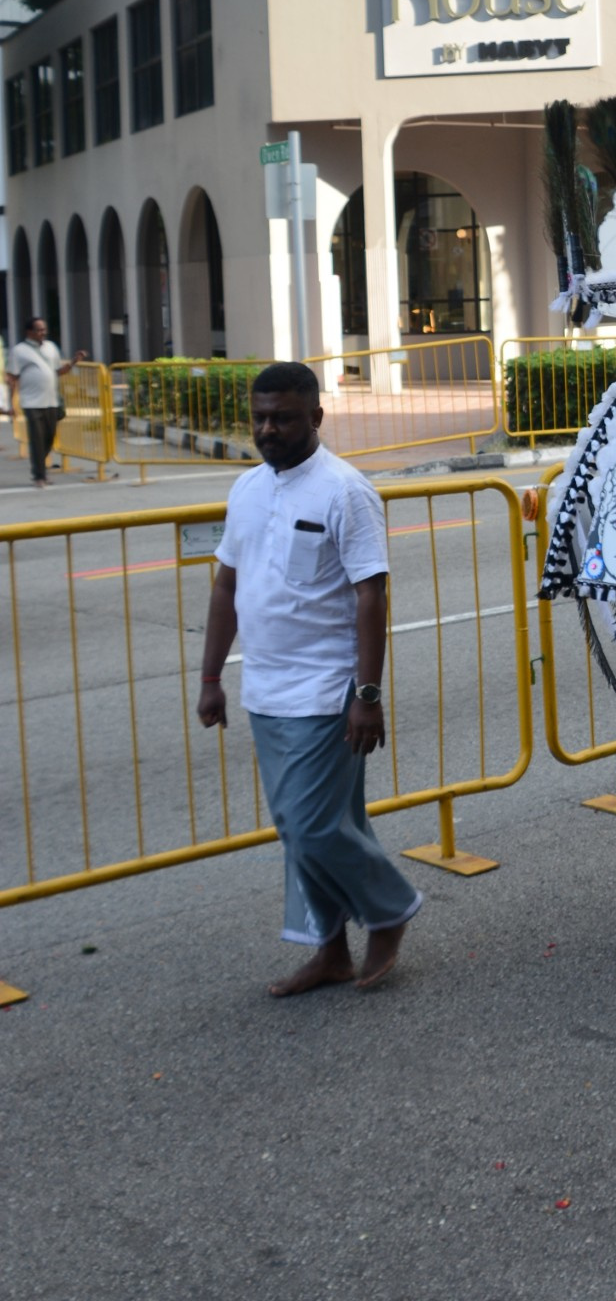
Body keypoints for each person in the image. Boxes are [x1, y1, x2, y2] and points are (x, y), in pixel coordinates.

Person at [196, 362, 420, 994]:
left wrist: (367, 696)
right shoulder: (247, 489)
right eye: (261, 416)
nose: (269, 429)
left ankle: (389, 909)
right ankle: (330, 951)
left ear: (316, 417)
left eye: (284, 417)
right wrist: (212, 676)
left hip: (327, 691)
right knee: (310, 828)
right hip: (265, 690)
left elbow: (370, 596)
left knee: (311, 825)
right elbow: (227, 586)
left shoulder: (345, 491)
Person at [7, 314, 85, 488]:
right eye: (39, 330)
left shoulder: (51, 347)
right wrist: (10, 404)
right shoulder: (19, 351)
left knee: (49, 437)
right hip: (31, 402)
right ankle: (39, 475)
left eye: (44, 329)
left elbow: (58, 371)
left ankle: (40, 466)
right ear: (29, 332)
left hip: (51, 400)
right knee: (37, 438)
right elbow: (11, 378)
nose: (43, 333)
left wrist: (73, 362)